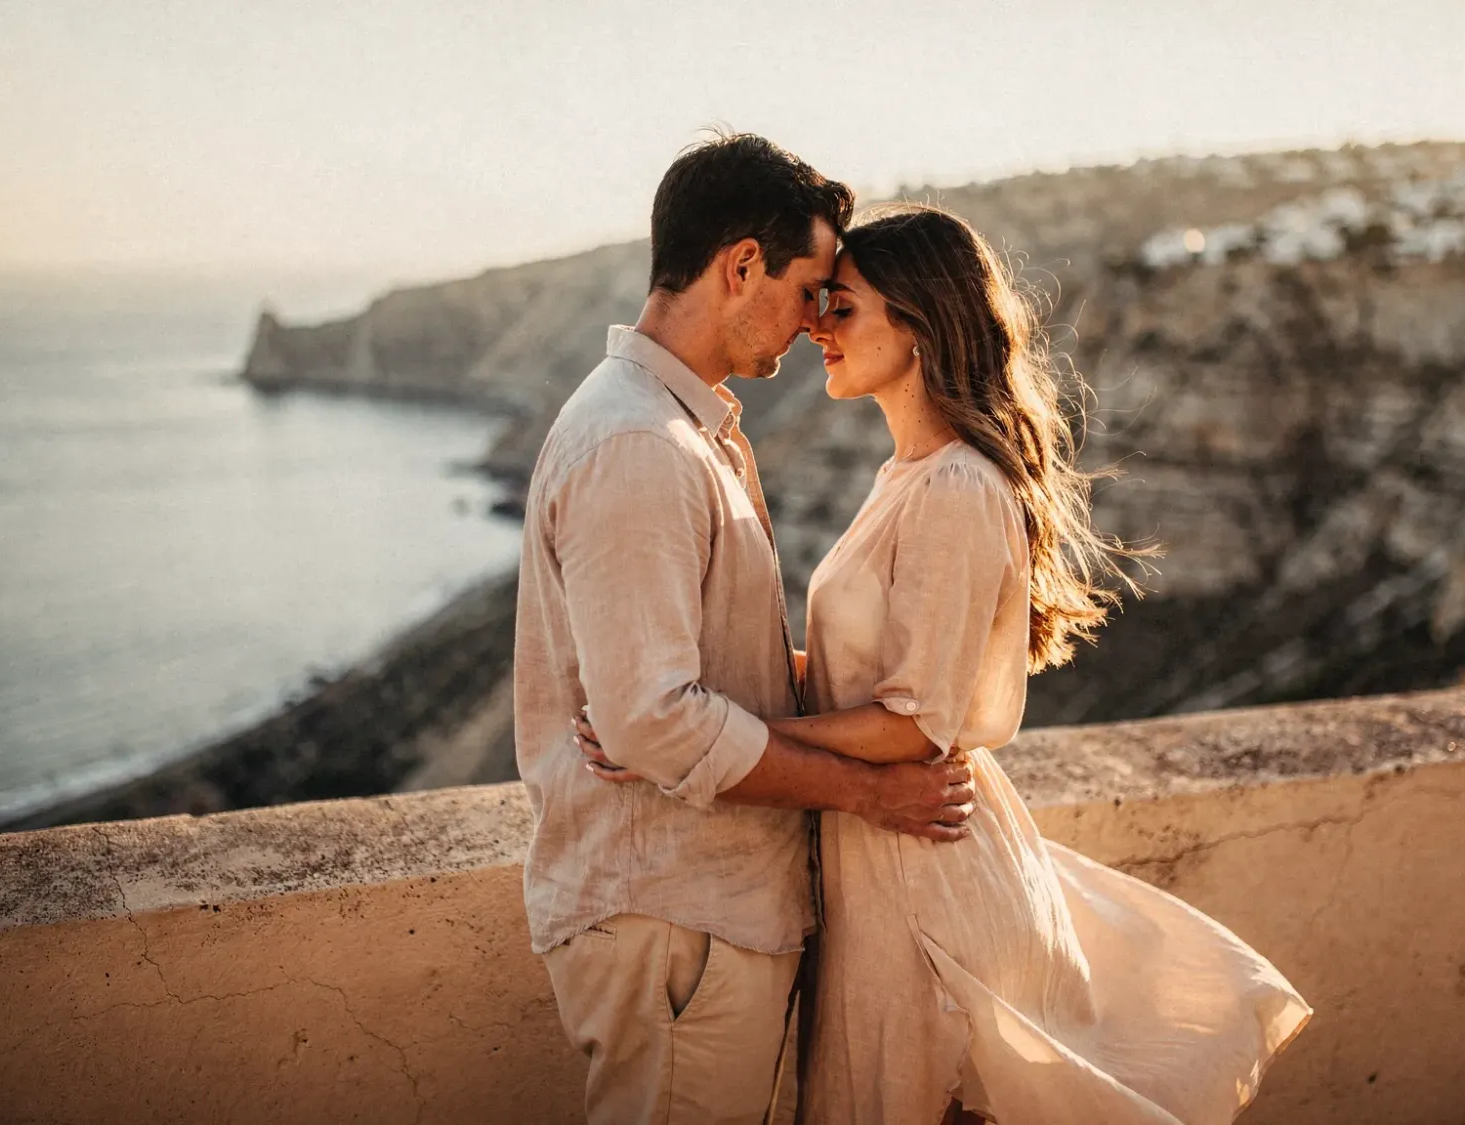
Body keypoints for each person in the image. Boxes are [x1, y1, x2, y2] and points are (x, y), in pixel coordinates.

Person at [581, 204, 1311, 1124]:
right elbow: (862, 678)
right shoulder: (912, 476)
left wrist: (696, 736)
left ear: (918, 325)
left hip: (924, 876)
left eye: (841, 308)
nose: (817, 328)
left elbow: (913, 720)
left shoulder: (961, 487)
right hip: (881, 860)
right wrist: (678, 712)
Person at [513, 137, 980, 1125]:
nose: (815, 318)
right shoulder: (642, 445)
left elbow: (705, 686)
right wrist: (873, 793)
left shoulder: (682, 432)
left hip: (702, 915)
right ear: (740, 266)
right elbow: (652, 725)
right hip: (672, 916)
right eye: (810, 286)